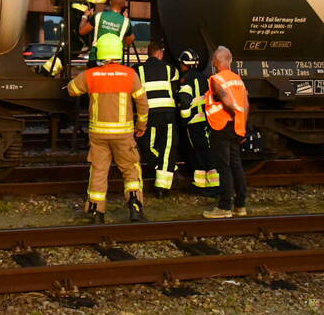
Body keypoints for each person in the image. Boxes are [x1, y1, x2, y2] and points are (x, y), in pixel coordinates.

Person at [66, 33, 149, 224]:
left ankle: (97, 212)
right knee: (130, 170)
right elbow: (142, 103)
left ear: (100, 53)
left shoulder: (91, 75)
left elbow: (72, 89)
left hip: (98, 135)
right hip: (123, 135)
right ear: (118, 52)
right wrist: (141, 125)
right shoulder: (130, 75)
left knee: (99, 171)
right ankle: (135, 207)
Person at [203, 46, 249, 218]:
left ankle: (224, 207)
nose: (213, 62)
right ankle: (240, 206)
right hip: (236, 127)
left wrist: (232, 114)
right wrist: (241, 124)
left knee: (224, 166)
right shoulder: (238, 80)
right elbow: (245, 105)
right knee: (236, 164)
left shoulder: (216, 80)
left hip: (221, 126)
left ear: (219, 60)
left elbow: (227, 102)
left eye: (214, 59)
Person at [136, 42, 179, 196]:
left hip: (149, 113)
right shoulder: (169, 68)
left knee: (147, 145)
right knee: (168, 148)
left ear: (148, 53)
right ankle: (163, 185)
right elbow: (176, 78)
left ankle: (165, 169)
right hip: (167, 113)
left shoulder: (138, 69)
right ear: (160, 53)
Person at [176, 48, 219, 194]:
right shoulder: (204, 77)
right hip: (205, 121)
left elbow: (185, 100)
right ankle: (205, 185)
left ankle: (209, 187)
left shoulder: (185, 79)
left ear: (184, 64)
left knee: (198, 153)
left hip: (193, 123)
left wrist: (185, 119)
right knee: (205, 151)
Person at [80, 0, 134, 68]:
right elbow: (129, 40)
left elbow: (82, 31)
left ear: (110, 2)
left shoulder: (98, 16)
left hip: (95, 59)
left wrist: (85, 17)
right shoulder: (126, 22)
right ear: (123, 5)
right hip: (115, 61)